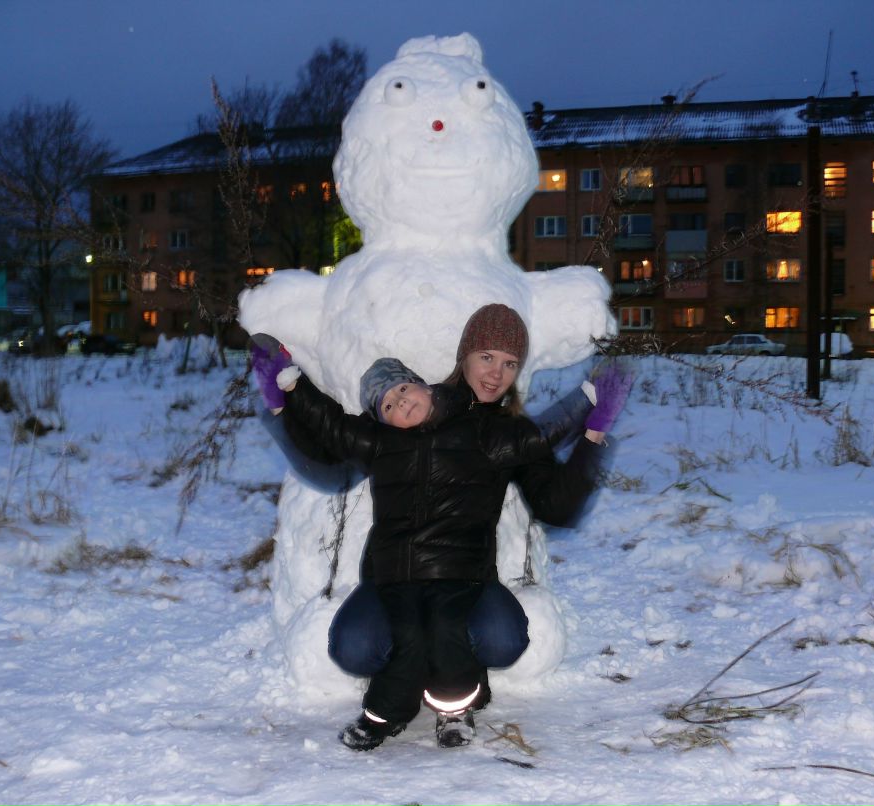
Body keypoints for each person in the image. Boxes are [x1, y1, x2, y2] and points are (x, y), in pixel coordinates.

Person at [249, 305, 631, 751]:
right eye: (487, 356)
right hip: (395, 574)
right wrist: (287, 394)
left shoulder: (504, 432)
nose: (496, 373)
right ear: (464, 355)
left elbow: (557, 498)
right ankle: (396, 701)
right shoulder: (397, 423)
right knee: (357, 646)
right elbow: (331, 436)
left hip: (463, 572)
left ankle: (455, 699)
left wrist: (592, 432)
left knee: (494, 635)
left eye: (510, 363)